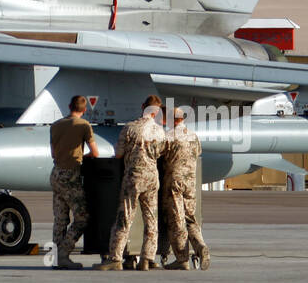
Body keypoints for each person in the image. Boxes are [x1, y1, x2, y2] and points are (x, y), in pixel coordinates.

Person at [97, 95, 166, 271]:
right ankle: (147, 259)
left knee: (125, 217)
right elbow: (160, 154)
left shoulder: (130, 128)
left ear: (143, 106)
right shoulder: (160, 132)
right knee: (151, 219)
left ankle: (115, 258)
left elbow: (118, 153)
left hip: (133, 178)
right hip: (152, 178)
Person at [48, 95, 100, 270]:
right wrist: (80, 158)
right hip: (71, 175)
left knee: (60, 219)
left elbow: (54, 154)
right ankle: (64, 252)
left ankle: (56, 258)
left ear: (69, 106)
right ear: (85, 110)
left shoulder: (55, 126)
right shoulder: (84, 126)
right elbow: (95, 153)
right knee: (82, 217)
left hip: (56, 174)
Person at [162, 107, 210, 270]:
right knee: (190, 217)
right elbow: (197, 153)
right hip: (190, 182)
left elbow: (160, 157)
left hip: (174, 182)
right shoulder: (193, 136)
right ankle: (201, 246)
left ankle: (182, 258)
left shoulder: (168, 136)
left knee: (177, 219)